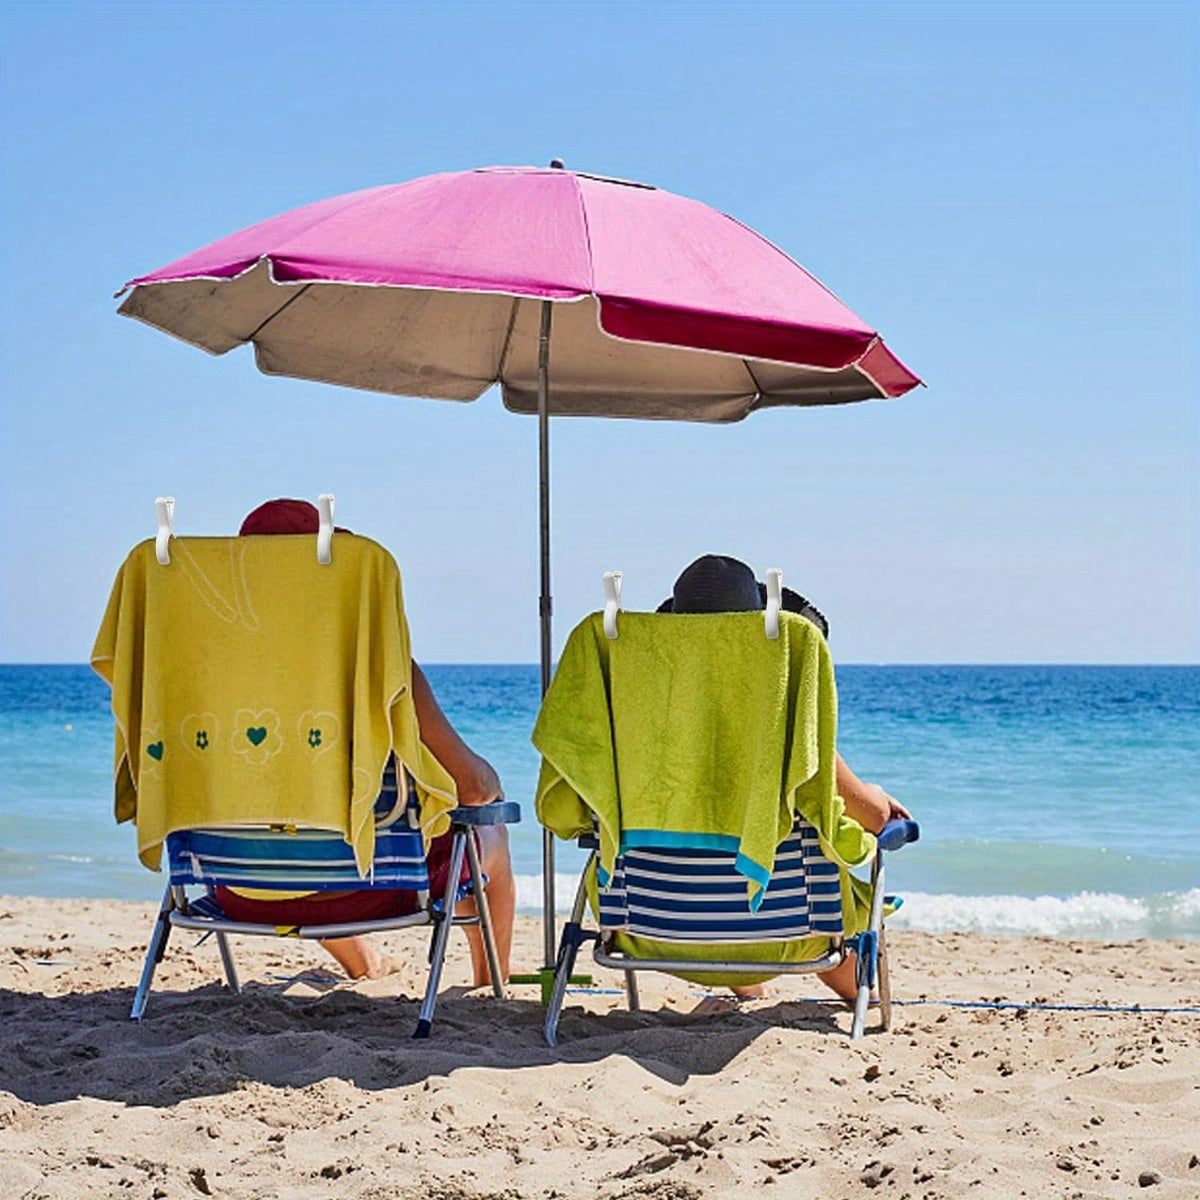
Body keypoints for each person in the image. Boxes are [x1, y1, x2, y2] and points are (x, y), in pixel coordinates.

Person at [214, 499, 514, 986]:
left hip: (235, 887)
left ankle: (362, 964)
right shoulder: (383, 670)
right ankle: (489, 977)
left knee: (297, 827)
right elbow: (472, 788)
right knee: (487, 831)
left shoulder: (208, 681)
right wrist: (490, 784)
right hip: (369, 892)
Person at [661, 554, 911, 1001]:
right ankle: (865, 996)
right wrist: (875, 798)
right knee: (808, 888)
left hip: (657, 928)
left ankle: (747, 989)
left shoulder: (640, 737)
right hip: (784, 932)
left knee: (714, 846)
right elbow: (873, 819)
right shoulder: (788, 731)